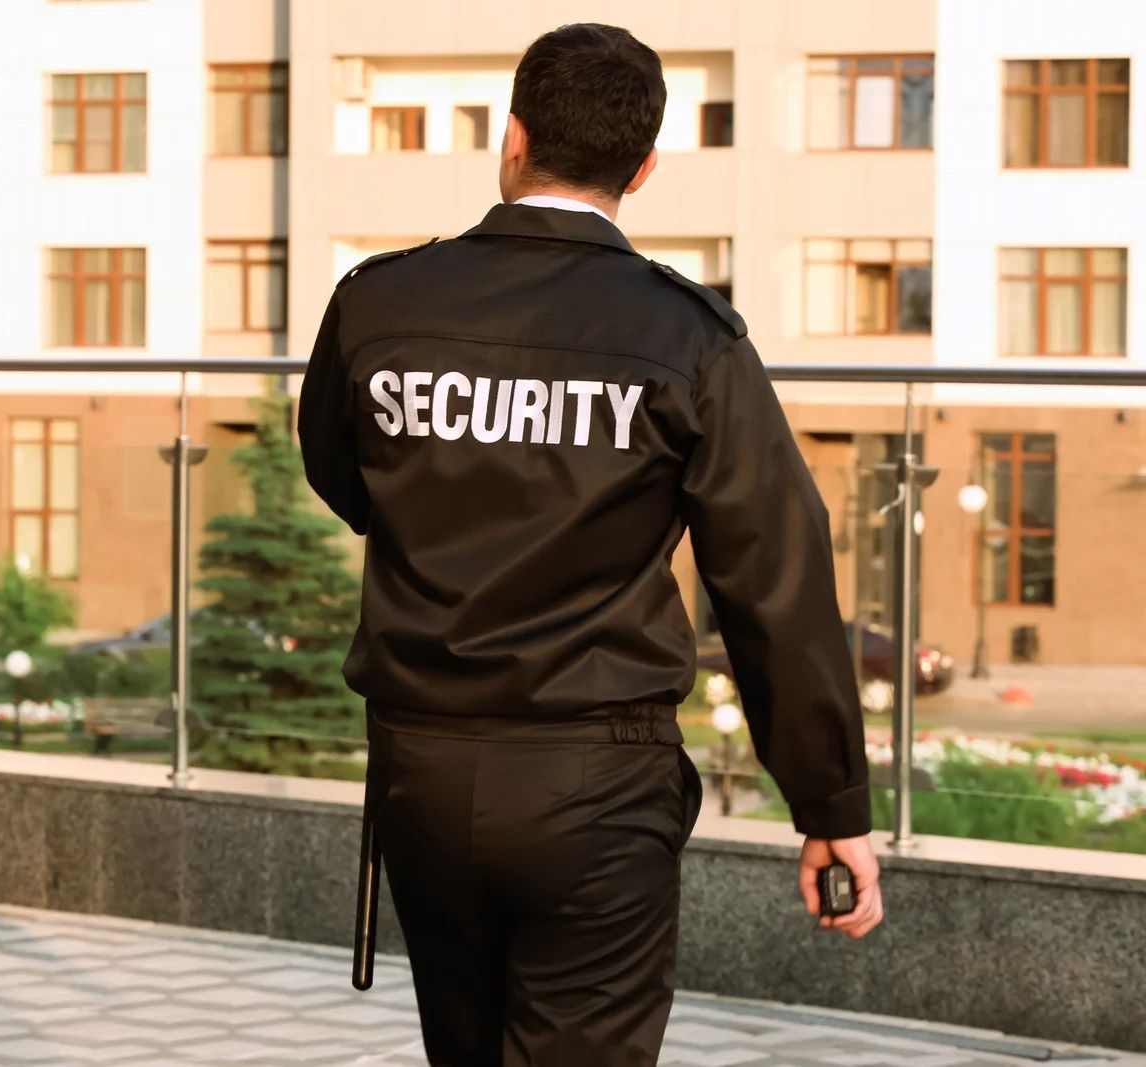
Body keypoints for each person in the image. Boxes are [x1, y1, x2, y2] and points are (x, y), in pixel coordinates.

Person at [297, 22, 883, 1067]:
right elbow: (772, 579)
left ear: (509, 137)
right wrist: (829, 803)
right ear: (645, 167)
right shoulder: (689, 338)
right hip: (594, 785)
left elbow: (345, 479)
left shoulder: (375, 303)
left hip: (419, 769)